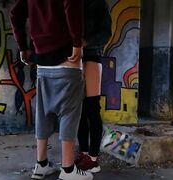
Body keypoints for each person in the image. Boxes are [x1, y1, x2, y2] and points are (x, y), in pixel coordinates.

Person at [9, 0, 93, 180]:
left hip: (42, 63)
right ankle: (68, 170)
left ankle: (41, 165)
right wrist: (77, 43)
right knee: (69, 114)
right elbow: (72, 5)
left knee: (43, 113)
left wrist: (23, 47)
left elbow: (15, 13)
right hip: (67, 59)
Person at [75, 0, 112, 173]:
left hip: (91, 56)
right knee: (79, 110)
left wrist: (84, 41)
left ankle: (93, 158)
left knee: (92, 109)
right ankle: (84, 153)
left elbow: (105, 33)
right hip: (74, 58)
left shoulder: (99, 4)